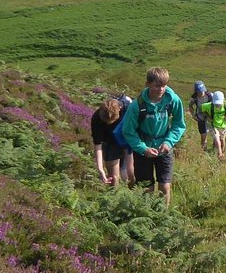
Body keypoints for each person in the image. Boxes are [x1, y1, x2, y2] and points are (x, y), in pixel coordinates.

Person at [118, 67, 186, 207]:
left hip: (164, 148)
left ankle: (163, 216)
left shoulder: (173, 100)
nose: (161, 89)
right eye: (157, 85)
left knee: (165, 186)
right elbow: (128, 131)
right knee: (146, 188)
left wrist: (168, 142)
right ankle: (147, 215)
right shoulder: (137, 105)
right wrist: (143, 149)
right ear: (147, 84)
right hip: (143, 148)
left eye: (164, 85)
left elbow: (179, 124)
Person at [90, 97, 125, 185]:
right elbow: (98, 145)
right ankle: (114, 194)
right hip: (109, 141)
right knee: (114, 177)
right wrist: (100, 169)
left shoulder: (127, 109)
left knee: (128, 174)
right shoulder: (96, 118)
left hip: (127, 138)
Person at [206, 90, 226, 159]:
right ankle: (219, 154)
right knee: (216, 138)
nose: (217, 105)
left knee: (222, 139)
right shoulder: (209, 106)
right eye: (216, 104)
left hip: (223, 125)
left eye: (219, 103)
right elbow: (203, 110)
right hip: (214, 125)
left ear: (223, 100)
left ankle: (221, 151)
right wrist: (208, 117)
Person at [188, 80, 213, 152]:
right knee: (203, 136)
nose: (202, 92)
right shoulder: (194, 98)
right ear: (196, 91)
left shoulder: (210, 95)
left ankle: (215, 149)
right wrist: (193, 115)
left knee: (215, 135)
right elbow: (190, 106)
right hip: (200, 117)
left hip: (210, 118)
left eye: (202, 90)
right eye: (199, 91)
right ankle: (204, 151)